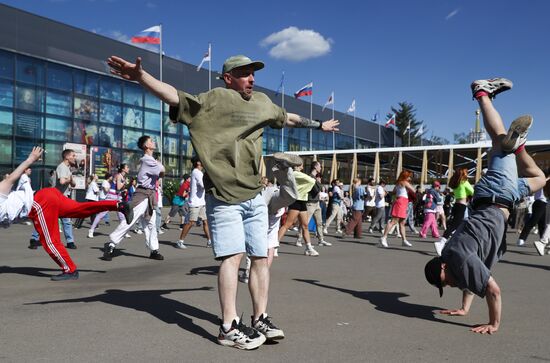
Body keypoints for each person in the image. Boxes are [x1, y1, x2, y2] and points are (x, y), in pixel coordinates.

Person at [107, 53, 339, 349]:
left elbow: (288, 118)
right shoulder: (212, 100)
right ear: (228, 78)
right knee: (232, 258)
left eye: (253, 73)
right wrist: (141, 77)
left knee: (260, 258)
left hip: (255, 196)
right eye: (244, 73)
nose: (251, 78)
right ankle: (228, 326)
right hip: (225, 197)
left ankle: (260, 318)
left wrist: (319, 126)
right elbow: (174, 96)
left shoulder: (263, 103)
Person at [424, 77, 546, 334]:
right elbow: (470, 280)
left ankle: (482, 93)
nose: (448, 286)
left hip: (497, 195)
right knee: (539, 179)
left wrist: (494, 324)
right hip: (500, 198)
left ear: (444, 267)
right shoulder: (456, 260)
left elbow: (493, 290)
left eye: (443, 282)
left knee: (500, 141)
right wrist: (465, 309)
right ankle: (518, 147)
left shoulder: (458, 258)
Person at [0, 147, 132, 281]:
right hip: (48, 196)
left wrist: (30, 159)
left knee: (50, 241)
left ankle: (70, 270)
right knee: (81, 209)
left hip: (40, 203)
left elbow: (11, 177)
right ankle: (118, 205)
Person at [102, 135, 165, 261]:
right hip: (142, 195)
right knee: (129, 220)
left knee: (151, 224)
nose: (153, 142)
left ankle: (154, 250)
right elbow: (162, 170)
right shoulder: (147, 159)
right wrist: (159, 167)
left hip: (150, 196)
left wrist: (160, 169)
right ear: (146, 146)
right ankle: (111, 244)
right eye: (151, 141)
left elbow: (161, 172)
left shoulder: (150, 160)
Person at [277, 161, 318, 256]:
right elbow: (312, 181)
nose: (303, 166)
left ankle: (308, 248)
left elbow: (311, 181)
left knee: (305, 226)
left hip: (302, 200)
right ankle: (274, 246)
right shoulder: (294, 174)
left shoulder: (299, 174)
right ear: (297, 166)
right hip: (295, 200)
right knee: (287, 224)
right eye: (302, 165)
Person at [436, 168, 474, 254]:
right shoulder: (464, 182)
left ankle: (456, 244)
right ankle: (441, 243)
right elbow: (472, 191)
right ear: (464, 174)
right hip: (462, 206)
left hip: (456, 205)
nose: (467, 175)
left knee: (461, 225)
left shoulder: (456, 182)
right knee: (455, 225)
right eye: (466, 173)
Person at [176, 159, 211, 248]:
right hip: (195, 203)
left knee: (205, 221)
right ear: (198, 163)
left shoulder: (198, 172)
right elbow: (203, 185)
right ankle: (180, 241)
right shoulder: (196, 172)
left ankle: (209, 241)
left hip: (201, 202)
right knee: (191, 222)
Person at [295, 161, 331, 247]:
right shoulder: (310, 177)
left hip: (316, 202)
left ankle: (321, 240)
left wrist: (319, 185)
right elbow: (317, 189)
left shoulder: (315, 178)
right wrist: (319, 185)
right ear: (315, 167)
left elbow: (319, 188)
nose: (321, 168)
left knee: (319, 222)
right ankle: (299, 239)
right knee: (305, 222)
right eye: (320, 166)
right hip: (310, 203)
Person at [379, 170, 415, 247]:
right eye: (409, 176)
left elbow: (394, 191)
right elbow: (414, 190)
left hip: (401, 201)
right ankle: (384, 237)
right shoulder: (404, 182)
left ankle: (404, 240)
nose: (410, 178)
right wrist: (408, 186)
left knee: (402, 222)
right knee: (394, 221)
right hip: (402, 202)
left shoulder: (399, 183)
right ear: (406, 176)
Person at [56, 149, 78, 249]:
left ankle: (70, 242)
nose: (75, 157)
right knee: (49, 220)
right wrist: (69, 179)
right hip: (58, 198)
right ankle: (34, 238)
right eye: (73, 155)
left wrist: (71, 180)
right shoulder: (62, 167)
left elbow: (73, 184)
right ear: (67, 157)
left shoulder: (68, 168)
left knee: (66, 221)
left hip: (63, 198)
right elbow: (61, 182)